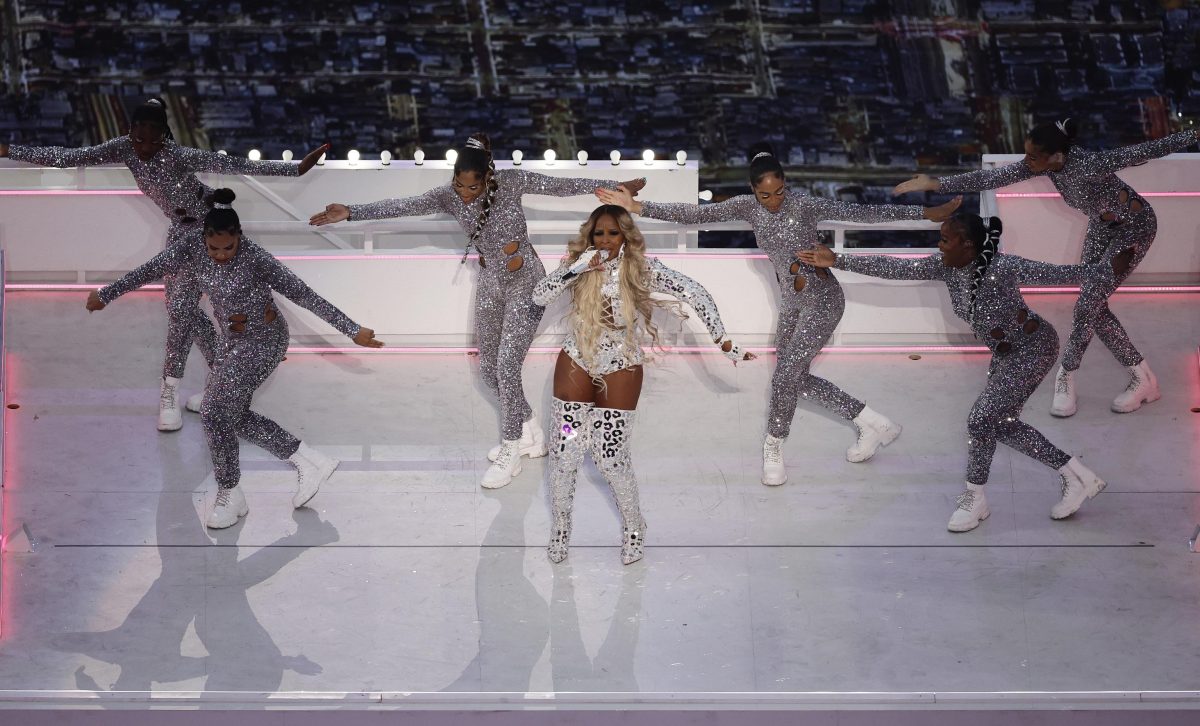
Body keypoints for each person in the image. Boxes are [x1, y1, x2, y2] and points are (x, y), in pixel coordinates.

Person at [598, 143, 961, 487]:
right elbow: (695, 214)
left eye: (779, 192)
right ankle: (872, 422)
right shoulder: (747, 208)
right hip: (792, 304)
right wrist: (637, 206)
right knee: (793, 379)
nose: (773, 201)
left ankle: (774, 445)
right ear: (753, 191)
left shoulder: (804, 205)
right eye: (765, 195)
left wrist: (924, 213)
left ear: (787, 185)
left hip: (824, 300)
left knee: (785, 376)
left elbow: (861, 212)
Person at [310, 132, 645, 489]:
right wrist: (352, 212)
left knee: (507, 366)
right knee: (488, 371)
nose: (465, 193)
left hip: (526, 283)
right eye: (459, 185)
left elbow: (560, 186)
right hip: (491, 284)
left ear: (487, 177)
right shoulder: (447, 196)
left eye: (473, 187)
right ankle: (529, 430)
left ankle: (511, 450)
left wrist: (613, 187)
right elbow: (403, 205)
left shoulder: (511, 182)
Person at [1, 97, 328, 431]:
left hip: (211, 234)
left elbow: (234, 164)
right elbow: (68, 157)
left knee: (184, 312)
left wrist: (296, 169)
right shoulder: (124, 147)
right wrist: (10, 150)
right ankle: (218, 386)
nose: (144, 147)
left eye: (153, 140)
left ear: (165, 136)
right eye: (138, 138)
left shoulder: (178, 155)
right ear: (129, 131)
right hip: (181, 232)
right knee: (182, 311)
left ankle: (175, 393)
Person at [799, 213, 1129, 532]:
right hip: (1005, 355)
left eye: (945, 240)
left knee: (980, 420)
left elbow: (1056, 274)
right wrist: (838, 260)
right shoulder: (946, 267)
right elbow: (897, 267)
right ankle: (1075, 475)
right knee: (997, 424)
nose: (939, 245)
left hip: (1034, 349)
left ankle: (975, 497)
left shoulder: (1003, 267)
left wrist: (1106, 269)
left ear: (967, 244)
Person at [86, 189, 382, 529]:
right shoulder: (191, 247)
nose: (222, 254)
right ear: (204, 238)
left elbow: (303, 294)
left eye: (229, 247)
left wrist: (352, 329)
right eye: (214, 248)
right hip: (232, 342)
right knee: (230, 414)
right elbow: (150, 268)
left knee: (214, 412)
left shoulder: (256, 258)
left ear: (239, 237)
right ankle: (308, 460)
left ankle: (230, 492)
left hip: (265, 341)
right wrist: (106, 294)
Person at [895, 121, 1200, 417]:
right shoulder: (1042, 165)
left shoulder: (1090, 164)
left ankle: (1066, 373)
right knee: (1094, 305)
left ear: (1055, 156)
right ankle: (1143, 377)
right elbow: (991, 178)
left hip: (1134, 228)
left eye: (1033, 156)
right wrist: (936, 184)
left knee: (1087, 305)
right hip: (1102, 227)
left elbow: (1146, 150)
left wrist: (1195, 134)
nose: (1026, 161)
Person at [532, 205, 753, 564]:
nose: (605, 240)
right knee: (565, 451)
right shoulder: (578, 264)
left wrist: (722, 338)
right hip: (576, 363)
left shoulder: (642, 268)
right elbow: (539, 295)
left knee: (610, 457)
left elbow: (694, 292)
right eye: (599, 233)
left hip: (621, 364)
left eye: (613, 233)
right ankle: (560, 529)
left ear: (625, 236)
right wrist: (577, 268)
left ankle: (635, 528)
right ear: (590, 236)